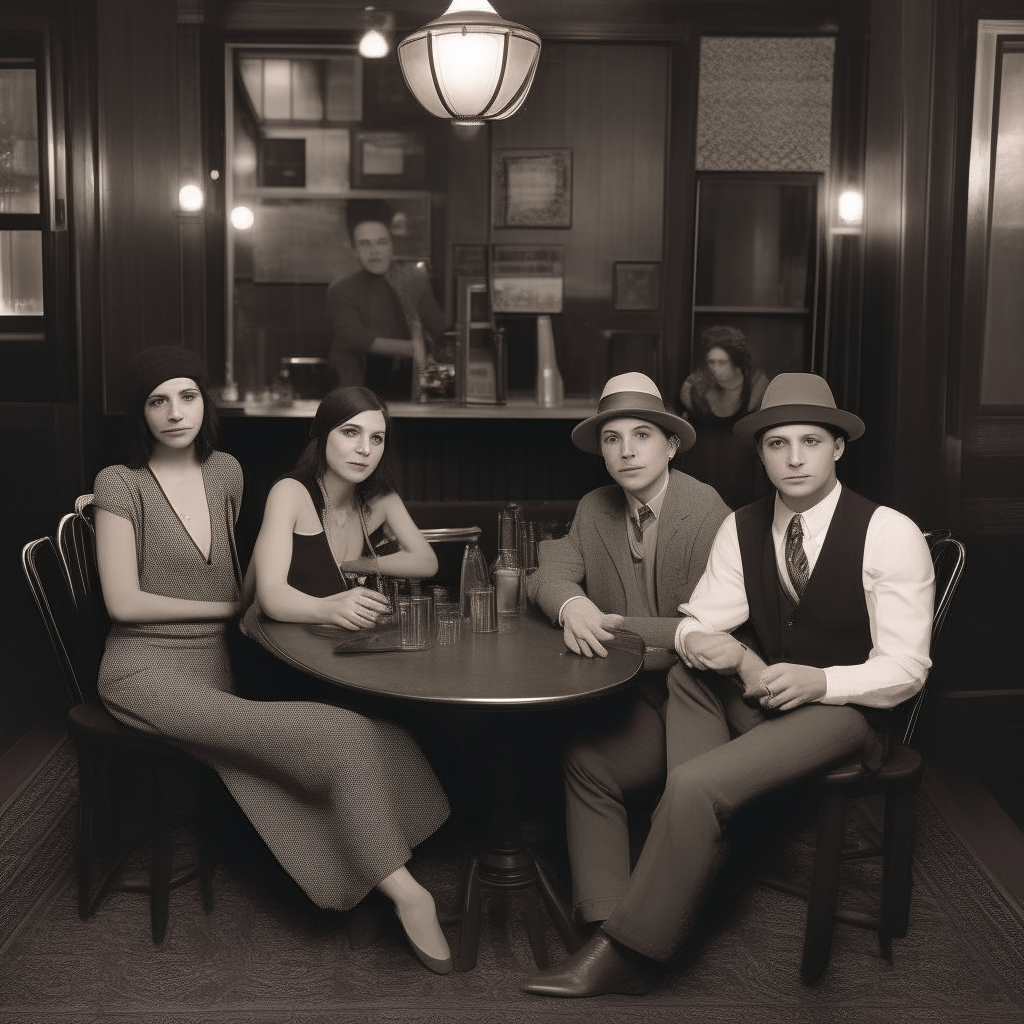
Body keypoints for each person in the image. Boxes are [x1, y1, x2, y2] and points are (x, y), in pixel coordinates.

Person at [522, 372, 935, 998]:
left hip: (848, 713)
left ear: (838, 449)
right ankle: (624, 910)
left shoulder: (889, 532)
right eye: (777, 444)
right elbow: (697, 628)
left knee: (693, 782)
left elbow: (906, 670)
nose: (794, 459)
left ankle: (634, 951)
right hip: (761, 697)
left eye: (811, 442)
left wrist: (820, 679)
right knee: (673, 692)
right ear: (761, 452)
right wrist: (725, 654)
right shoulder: (744, 527)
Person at [93, 347, 453, 975]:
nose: (175, 413)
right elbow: (123, 603)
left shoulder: (225, 473)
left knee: (379, 733)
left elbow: (246, 575)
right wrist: (234, 609)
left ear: (205, 404)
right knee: (333, 736)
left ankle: (362, 875)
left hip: (216, 668)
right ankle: (408, 895)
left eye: (188, 396)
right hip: (142, 673)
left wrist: (254, 602)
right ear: (140, 411)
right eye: (158, 400)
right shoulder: (117, 484)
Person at [526, 372, 731, 931]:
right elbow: (550, 571)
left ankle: (660, 925)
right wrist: (572, 607)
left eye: (642, 435)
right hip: (636, 695)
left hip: (705, 700)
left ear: (671, 445)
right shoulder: (596, 507)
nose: (627, 450)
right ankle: (604, 925)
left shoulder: (705, 510)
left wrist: (618, 627)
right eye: (612, 439)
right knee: (586, 763)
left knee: (686, 798)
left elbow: (708, 631)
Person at [326, 200, 449, 401]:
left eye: (382, 243)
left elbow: (438, 326)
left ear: (392, 246)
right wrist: (414, 348)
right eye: (365, 244)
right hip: (357, 388)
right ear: (354, 250)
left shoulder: (414, 281)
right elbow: (354, 337)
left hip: (409, 386)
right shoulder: (341, 289)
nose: (375, 251)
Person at [679, 326, 770, 509]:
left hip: (742, 468)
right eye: (711, 363)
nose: (715, 369)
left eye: (722, 363)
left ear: (736, 362)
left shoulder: (756, 385)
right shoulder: (695, 386)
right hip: (703, 463)